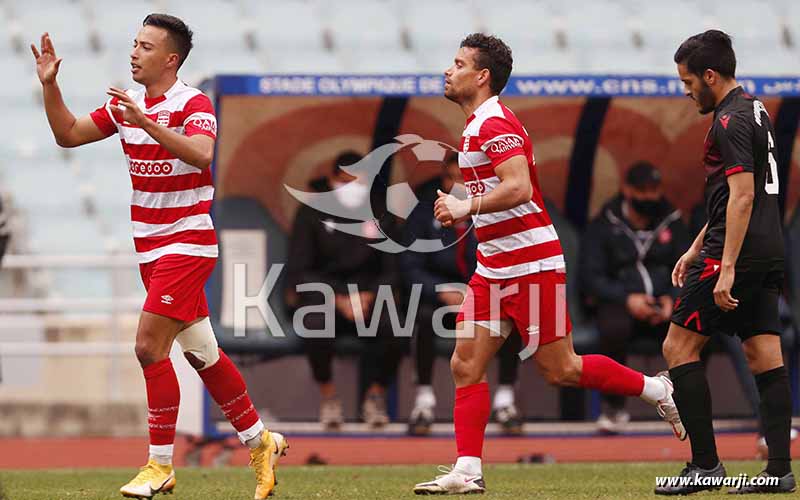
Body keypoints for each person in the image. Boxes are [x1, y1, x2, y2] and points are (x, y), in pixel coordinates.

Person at [413, 33, 684, 495]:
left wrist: (464, 207)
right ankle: (467, 470)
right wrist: (470, 204)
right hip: (495, 265)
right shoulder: (479, 122)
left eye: (457, 63)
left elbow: (518, 187)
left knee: (562, 370)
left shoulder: (491, 124)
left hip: (531, 264)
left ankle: (658, 390)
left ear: (481, 76)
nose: (447, 70)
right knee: (465, 363)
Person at [31, 15, 287, 499]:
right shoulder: (122, 107)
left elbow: (201, 153)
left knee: (149, 347)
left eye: (145, 46)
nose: (134, 53)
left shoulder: (193, 103)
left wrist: (146, 122)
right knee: (204, 355)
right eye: (134, 43)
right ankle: (260, 440)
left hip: (188, 243)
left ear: (170, 59)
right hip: (150, 248)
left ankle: (159, 465)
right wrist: (50, 85)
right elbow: (67, 133)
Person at [656, 30, 794, 495]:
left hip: (735, 255)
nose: (686, 90)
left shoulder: (728, 121)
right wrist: (696, 245)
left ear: (710, 76)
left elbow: (742, 196)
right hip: (767, 249)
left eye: (688, 81)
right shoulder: (756, 110)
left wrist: (724, 264)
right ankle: (778, 471)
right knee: (764, 355)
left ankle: (705, 465)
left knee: (678, 349)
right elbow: (736, 198)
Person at [401, 155, 523, 436]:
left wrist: (478, 290)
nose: (461, 187)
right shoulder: (422, 214)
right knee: (422, 318)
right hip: (439, 300)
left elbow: (507, 260)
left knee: (512, 315)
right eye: (454, 179)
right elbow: (409, 266)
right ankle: (424, 402)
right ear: (444, 182)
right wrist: (441, 290)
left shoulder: (493, 212)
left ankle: (505, 400)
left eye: (468, 180)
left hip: (483, 294)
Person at [284, 151, 404, 430]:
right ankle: (328, 396)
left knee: (398, 326)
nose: (354, 188)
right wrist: (337, 297)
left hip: (371, 297)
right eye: (347, 180)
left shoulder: (380, 212)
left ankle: (376, 395)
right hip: (325, 296)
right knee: (313, 323)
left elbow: (393, 268)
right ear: (333, 178)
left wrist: (369, 295)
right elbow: (299, 269)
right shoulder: (311, 213)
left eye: (360, 181)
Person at [580, 161, 690, 433]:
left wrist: (672, 298)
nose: (649, 197)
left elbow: (690, 266)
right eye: (642, 191)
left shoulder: (672, 221)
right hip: (622, 304)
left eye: (654, 190)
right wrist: (627, 298)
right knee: (613, 328)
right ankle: (614, 409)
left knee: (697, 327)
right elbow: (591, 277)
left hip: (664, 304)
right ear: (626, 190)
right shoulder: (604, 223)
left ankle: (685, 403)